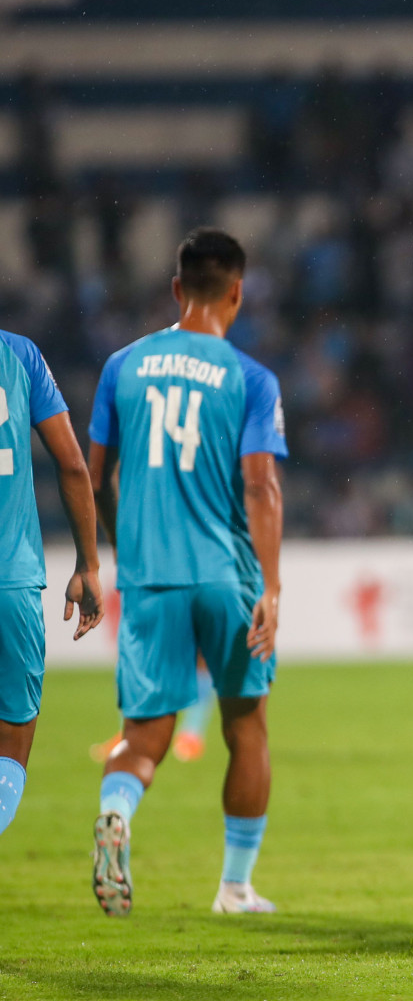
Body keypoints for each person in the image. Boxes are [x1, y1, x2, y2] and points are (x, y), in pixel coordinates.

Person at [87, 228, 287, 916]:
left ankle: (118, 812)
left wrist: (118, 551)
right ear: (237, 292)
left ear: (176, 289)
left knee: (144, 737)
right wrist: (273, 586)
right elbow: (260, 488)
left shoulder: (122, 367)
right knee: (246, 728)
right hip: (227, 576)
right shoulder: (251, 379)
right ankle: (235, 888)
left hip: (150, 578)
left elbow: (95, 477)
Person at [0, 329, 104, 836]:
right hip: (11, 582)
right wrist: (88, 565)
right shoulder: (20, 355)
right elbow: (72, 463)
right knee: (11, 747)